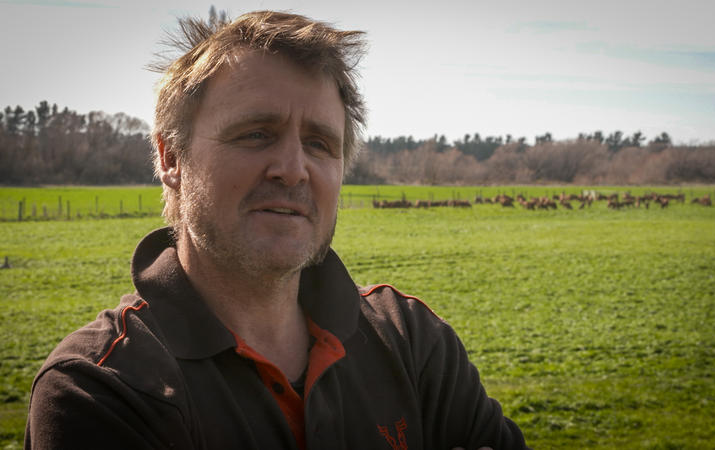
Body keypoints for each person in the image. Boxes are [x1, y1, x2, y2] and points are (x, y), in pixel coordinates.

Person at [25, 10, 529, 450]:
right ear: (171, 156)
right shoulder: (101, 386)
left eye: (319, 143)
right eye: (257, 134)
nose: (293, 168)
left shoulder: (412, 339)